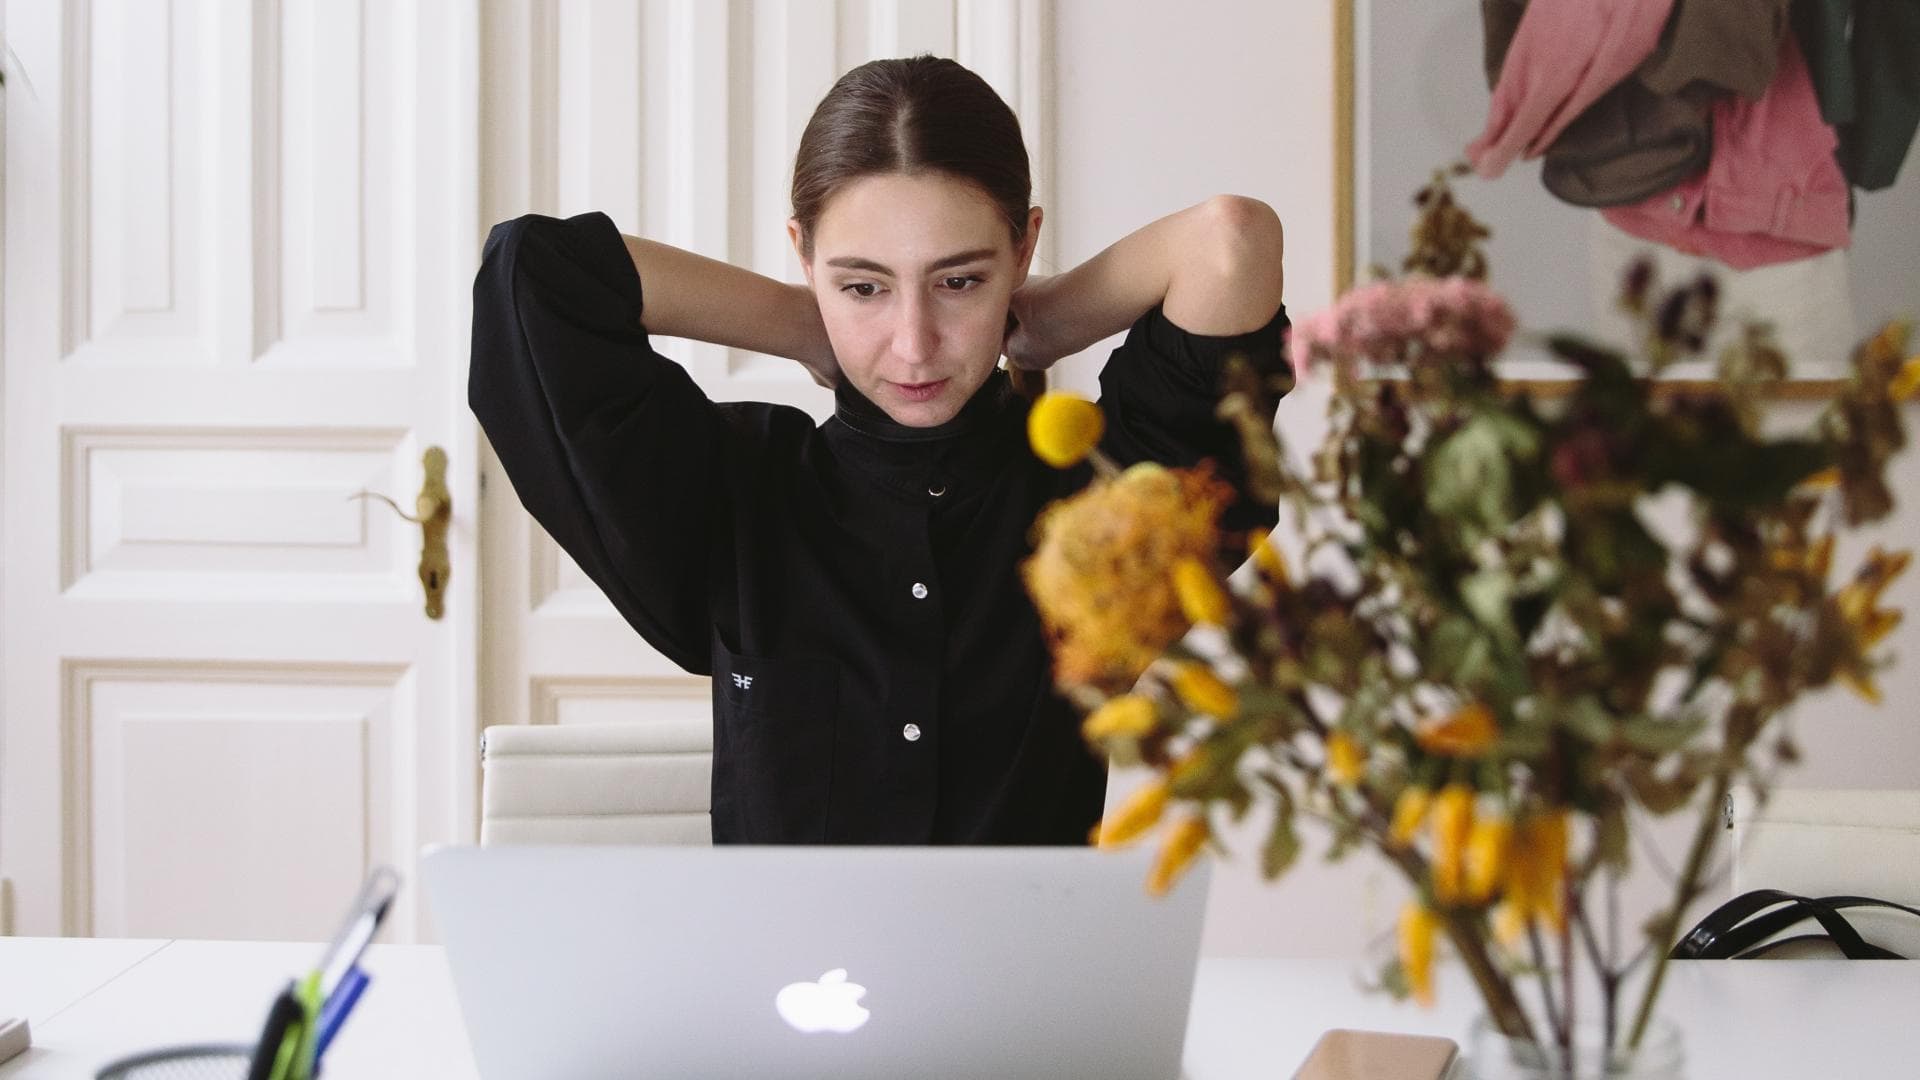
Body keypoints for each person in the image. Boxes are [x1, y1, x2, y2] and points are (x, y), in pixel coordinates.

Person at [470, 55, 1289, 845]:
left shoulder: (1103, 513)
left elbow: (1230, 241)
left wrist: (1045, 321)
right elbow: (531, 273)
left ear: (1022, 249)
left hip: (1033, 954)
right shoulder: (737, 495)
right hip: (775, 954)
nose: (913, 344)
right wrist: (799, 323)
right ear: (804, 255)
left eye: (959, 281)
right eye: (863, 286)